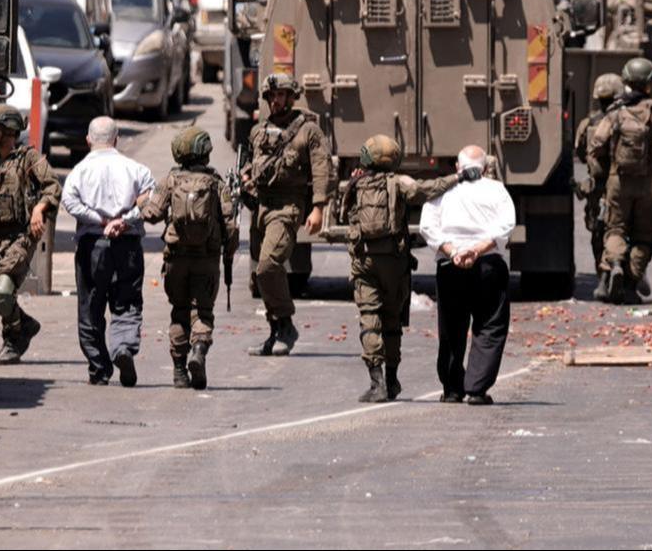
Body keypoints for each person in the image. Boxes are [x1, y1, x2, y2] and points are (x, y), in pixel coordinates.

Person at [339, 134, 457, 403]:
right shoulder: (399, 182)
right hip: (395, 262)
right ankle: (392, 381)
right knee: (392, 321)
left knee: (370, 319)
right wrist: (457, 178)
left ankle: (376, 382)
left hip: (365, 262)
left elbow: (344, 214)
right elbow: (428, 189)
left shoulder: (355, 184)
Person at [242, 73, 334, 357]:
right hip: (260, 207)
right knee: (262, 276)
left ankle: (287, 325)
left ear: (291, 97)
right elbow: (249, 164)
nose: (274, 101)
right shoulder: (259, 131)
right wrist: (246, 178)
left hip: (287, 207)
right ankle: (275, 330)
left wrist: (318, 207)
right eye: (270, 96)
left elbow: (322, 170)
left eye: (280, 95)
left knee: (269, 265)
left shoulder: (308, 131)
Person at [138, 126, 238, 390]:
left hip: (176, 259)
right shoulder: (216, 182)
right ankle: (199, 349)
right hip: (206, 258)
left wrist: (140, 203)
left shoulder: (171, 180)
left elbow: (152, 214)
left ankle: (180, 371)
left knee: (179, 312)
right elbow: (230, 224)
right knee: (202, 311)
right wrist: (227, 254)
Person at [61, 116, 156, 386]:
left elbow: (69, 201)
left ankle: (99, 367)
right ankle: (123, 348)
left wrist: (98, 219)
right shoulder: (136, 169)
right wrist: (124, 221)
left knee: (91, 307)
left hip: (93, 246)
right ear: (116, 140)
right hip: (127, 245)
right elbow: (152, 200)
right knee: (126, 302)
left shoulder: (79, 171)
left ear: (88, 140)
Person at [421, 145, 516, 406]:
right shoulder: (496, 189)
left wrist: (454, 252)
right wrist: (475, 250)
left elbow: (427, 226)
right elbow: (506, 225)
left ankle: (452, 389)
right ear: (485, 169)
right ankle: (476, 389)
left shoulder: (443, 189)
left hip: (450, 267)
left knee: (451, 327)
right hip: (487, 265)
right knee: (490, 325)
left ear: (456, 167)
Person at [0, 104, 62, 365]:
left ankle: (13, 341)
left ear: (9, 130)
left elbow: (53, 187)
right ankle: (25, 323)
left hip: (20, 236)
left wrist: (39, 209)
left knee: (1, 293)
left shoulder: (28, 158)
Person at [588, 58, 652, 304]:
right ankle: (630, 284)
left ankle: (615, 263)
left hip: (618, 182)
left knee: (615, 229)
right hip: (649, 183)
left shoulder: (616, 113)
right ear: (649, 84)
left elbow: (596, 144)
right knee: (642, 236)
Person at [574, 73, 624, 301]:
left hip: (597, 187)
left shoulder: (588, 124)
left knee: (598, 233)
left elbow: (580, 154)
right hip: (621, 185)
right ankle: (624, 272)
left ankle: (602, 278)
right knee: (621, 230)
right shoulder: (626, 118)